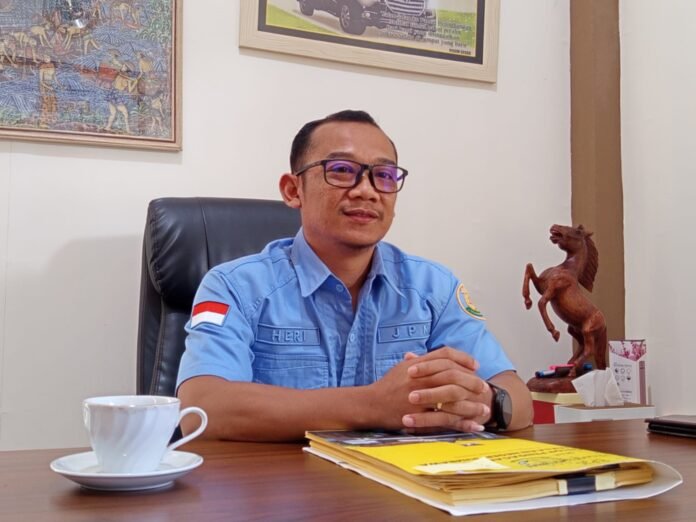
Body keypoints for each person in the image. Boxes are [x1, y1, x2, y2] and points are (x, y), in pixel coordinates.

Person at [177, 110, 533, 441]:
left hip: (403, 483)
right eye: (342, 170)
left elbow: (519, 399)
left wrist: (485, 402)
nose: (366, 190)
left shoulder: (433, 287)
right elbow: (201, 408)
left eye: (384, 176)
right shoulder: (235, 286)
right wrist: (375, 404)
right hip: (281, 484)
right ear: (293, 190)